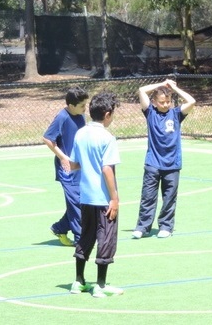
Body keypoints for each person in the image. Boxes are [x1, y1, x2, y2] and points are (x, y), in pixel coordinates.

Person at [67, 91, 124, 298]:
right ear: (107, 114)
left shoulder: (81, 133)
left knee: (86, 236)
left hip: (86, 197)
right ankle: (100, 285)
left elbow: (73, 164)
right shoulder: (107, 137)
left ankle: (79, 281)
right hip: (103, 199)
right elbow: (107, 169)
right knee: (106, 238)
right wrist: (114, 198)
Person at [131, 79, 196, 239]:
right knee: (148, 197)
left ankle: (166, 226)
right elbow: (141, 90)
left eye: (168, 101)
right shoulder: (150, 113)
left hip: (172, 164)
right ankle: (143, 226)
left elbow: (192, 101)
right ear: (154, 102)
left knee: (169, 198)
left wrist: (174, 88)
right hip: (153, 163)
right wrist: (162, 84)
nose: (165, 104)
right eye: (161, 102)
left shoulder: (176, 114)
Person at [43, 86, 89, 246]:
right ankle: (80, 239)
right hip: (67, 171)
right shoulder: (62, 117)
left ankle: (59, 228)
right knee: (76, 204)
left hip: (80, 167)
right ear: (71, 105)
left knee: (83, 202)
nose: (85, 108)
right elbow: (48, 139)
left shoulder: (81, 116)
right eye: (82, 105)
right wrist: (63, 157)